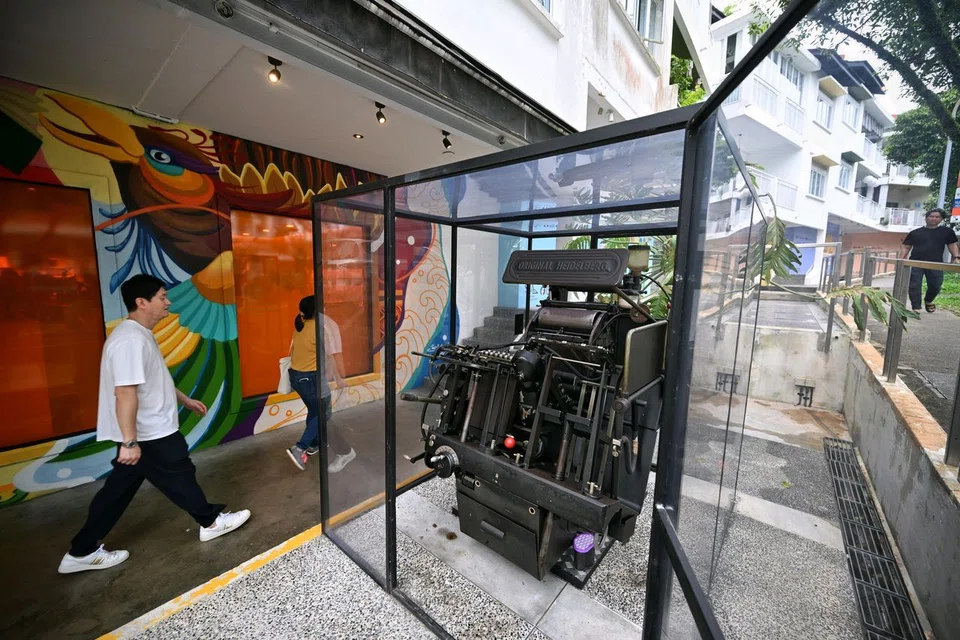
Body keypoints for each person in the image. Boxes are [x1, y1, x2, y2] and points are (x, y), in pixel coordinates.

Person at [59, 275, 250, 575]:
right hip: (149, 433)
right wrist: (130, 441)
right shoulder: (129, 340)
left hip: (146, 432)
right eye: (162, 297)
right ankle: (211, 522)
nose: (168, 302)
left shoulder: (140, 335)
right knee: (180, 474)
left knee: (116, 492)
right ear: (141, 302)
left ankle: (81, 550)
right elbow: (124, 392)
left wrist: (185, 400)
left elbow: (151, 379)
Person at [285, 295, 356, 473]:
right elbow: (333, 355)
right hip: (311, 379)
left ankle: (314, 443)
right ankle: (301, 447)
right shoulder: (322, 328)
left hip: (297, 378)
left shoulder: (300, 327)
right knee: (324, 415)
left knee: (315, 411)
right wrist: (340, 377)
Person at [900, 208, 960, 313]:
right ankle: (916, 307)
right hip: (916, 262)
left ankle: (929, 300)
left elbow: (952, 245)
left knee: (935, 285)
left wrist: (956, 257)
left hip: (935, 263)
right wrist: (901, 259)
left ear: (941, 219)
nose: (934, 219)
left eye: (937, 217)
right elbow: (906, 246)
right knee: (914, 285)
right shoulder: (915, 233)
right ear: (926, 217)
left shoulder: (946, 232)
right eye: (931, 216)